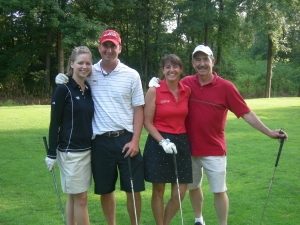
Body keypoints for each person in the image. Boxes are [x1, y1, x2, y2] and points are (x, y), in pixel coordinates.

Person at [149, 44, 287, 225]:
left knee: (219, 190)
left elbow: (246, 113)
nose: (201, 64)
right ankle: (199, 219)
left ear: (212, 61)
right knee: (194, 187)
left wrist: (269, 132)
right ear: (192, 63)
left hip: (214, 148)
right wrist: (156, 83)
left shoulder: (226, 87)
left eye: (205, 59)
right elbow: (170, 81)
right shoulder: (187, 83)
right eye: (197, 60)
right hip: (188, 148)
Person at [56, 29, 145, 225]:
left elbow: (139, 109)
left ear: (119, 48)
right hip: (100, 142)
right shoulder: (90, 71)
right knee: (106, 190)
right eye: (106, 45)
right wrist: (63, 79)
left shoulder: (132, 75)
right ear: (100, 47)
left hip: (127, 139)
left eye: (113, 46)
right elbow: (75, 79)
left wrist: (136, 140)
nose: (109, 50)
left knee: (133, 189)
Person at [45, 46, 94, 225]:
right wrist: (51, 153)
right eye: (80, 62)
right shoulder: (63, 89)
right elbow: (54, 123)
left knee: (74, 197)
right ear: (72, 64)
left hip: (88, 150)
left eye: (88, 63)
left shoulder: (88, 88)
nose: (84, 66)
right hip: (70, 152)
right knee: (81, 199)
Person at [143, 54, 192, 225]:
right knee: (158, 189)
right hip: (159, 142)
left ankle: (164, 222)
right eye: (168, 67)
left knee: (181, 190)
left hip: (182, 142)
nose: (172, 70)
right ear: (163, 70)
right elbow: (147, 122)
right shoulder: (154, 90)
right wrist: (162, 141)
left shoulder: (187, 90)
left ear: (181, 69)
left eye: (175, 66)